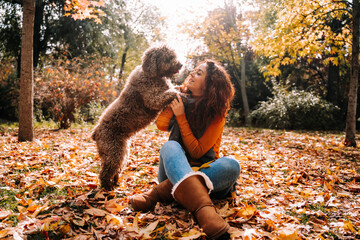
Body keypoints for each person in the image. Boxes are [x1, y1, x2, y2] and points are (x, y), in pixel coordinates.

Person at [129, 60, 240, 239]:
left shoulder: (217, 113)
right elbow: (161, 124)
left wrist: (181, 117)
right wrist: (174, 98)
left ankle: (158, 193)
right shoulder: (180, 98)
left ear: (211, 84)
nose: (192, 74)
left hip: (208, 172)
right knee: (170, 146)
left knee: (232, 164)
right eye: (194, 71)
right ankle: (205, 212)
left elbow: (198, 152)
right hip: (174, 170)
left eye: (199, 73)